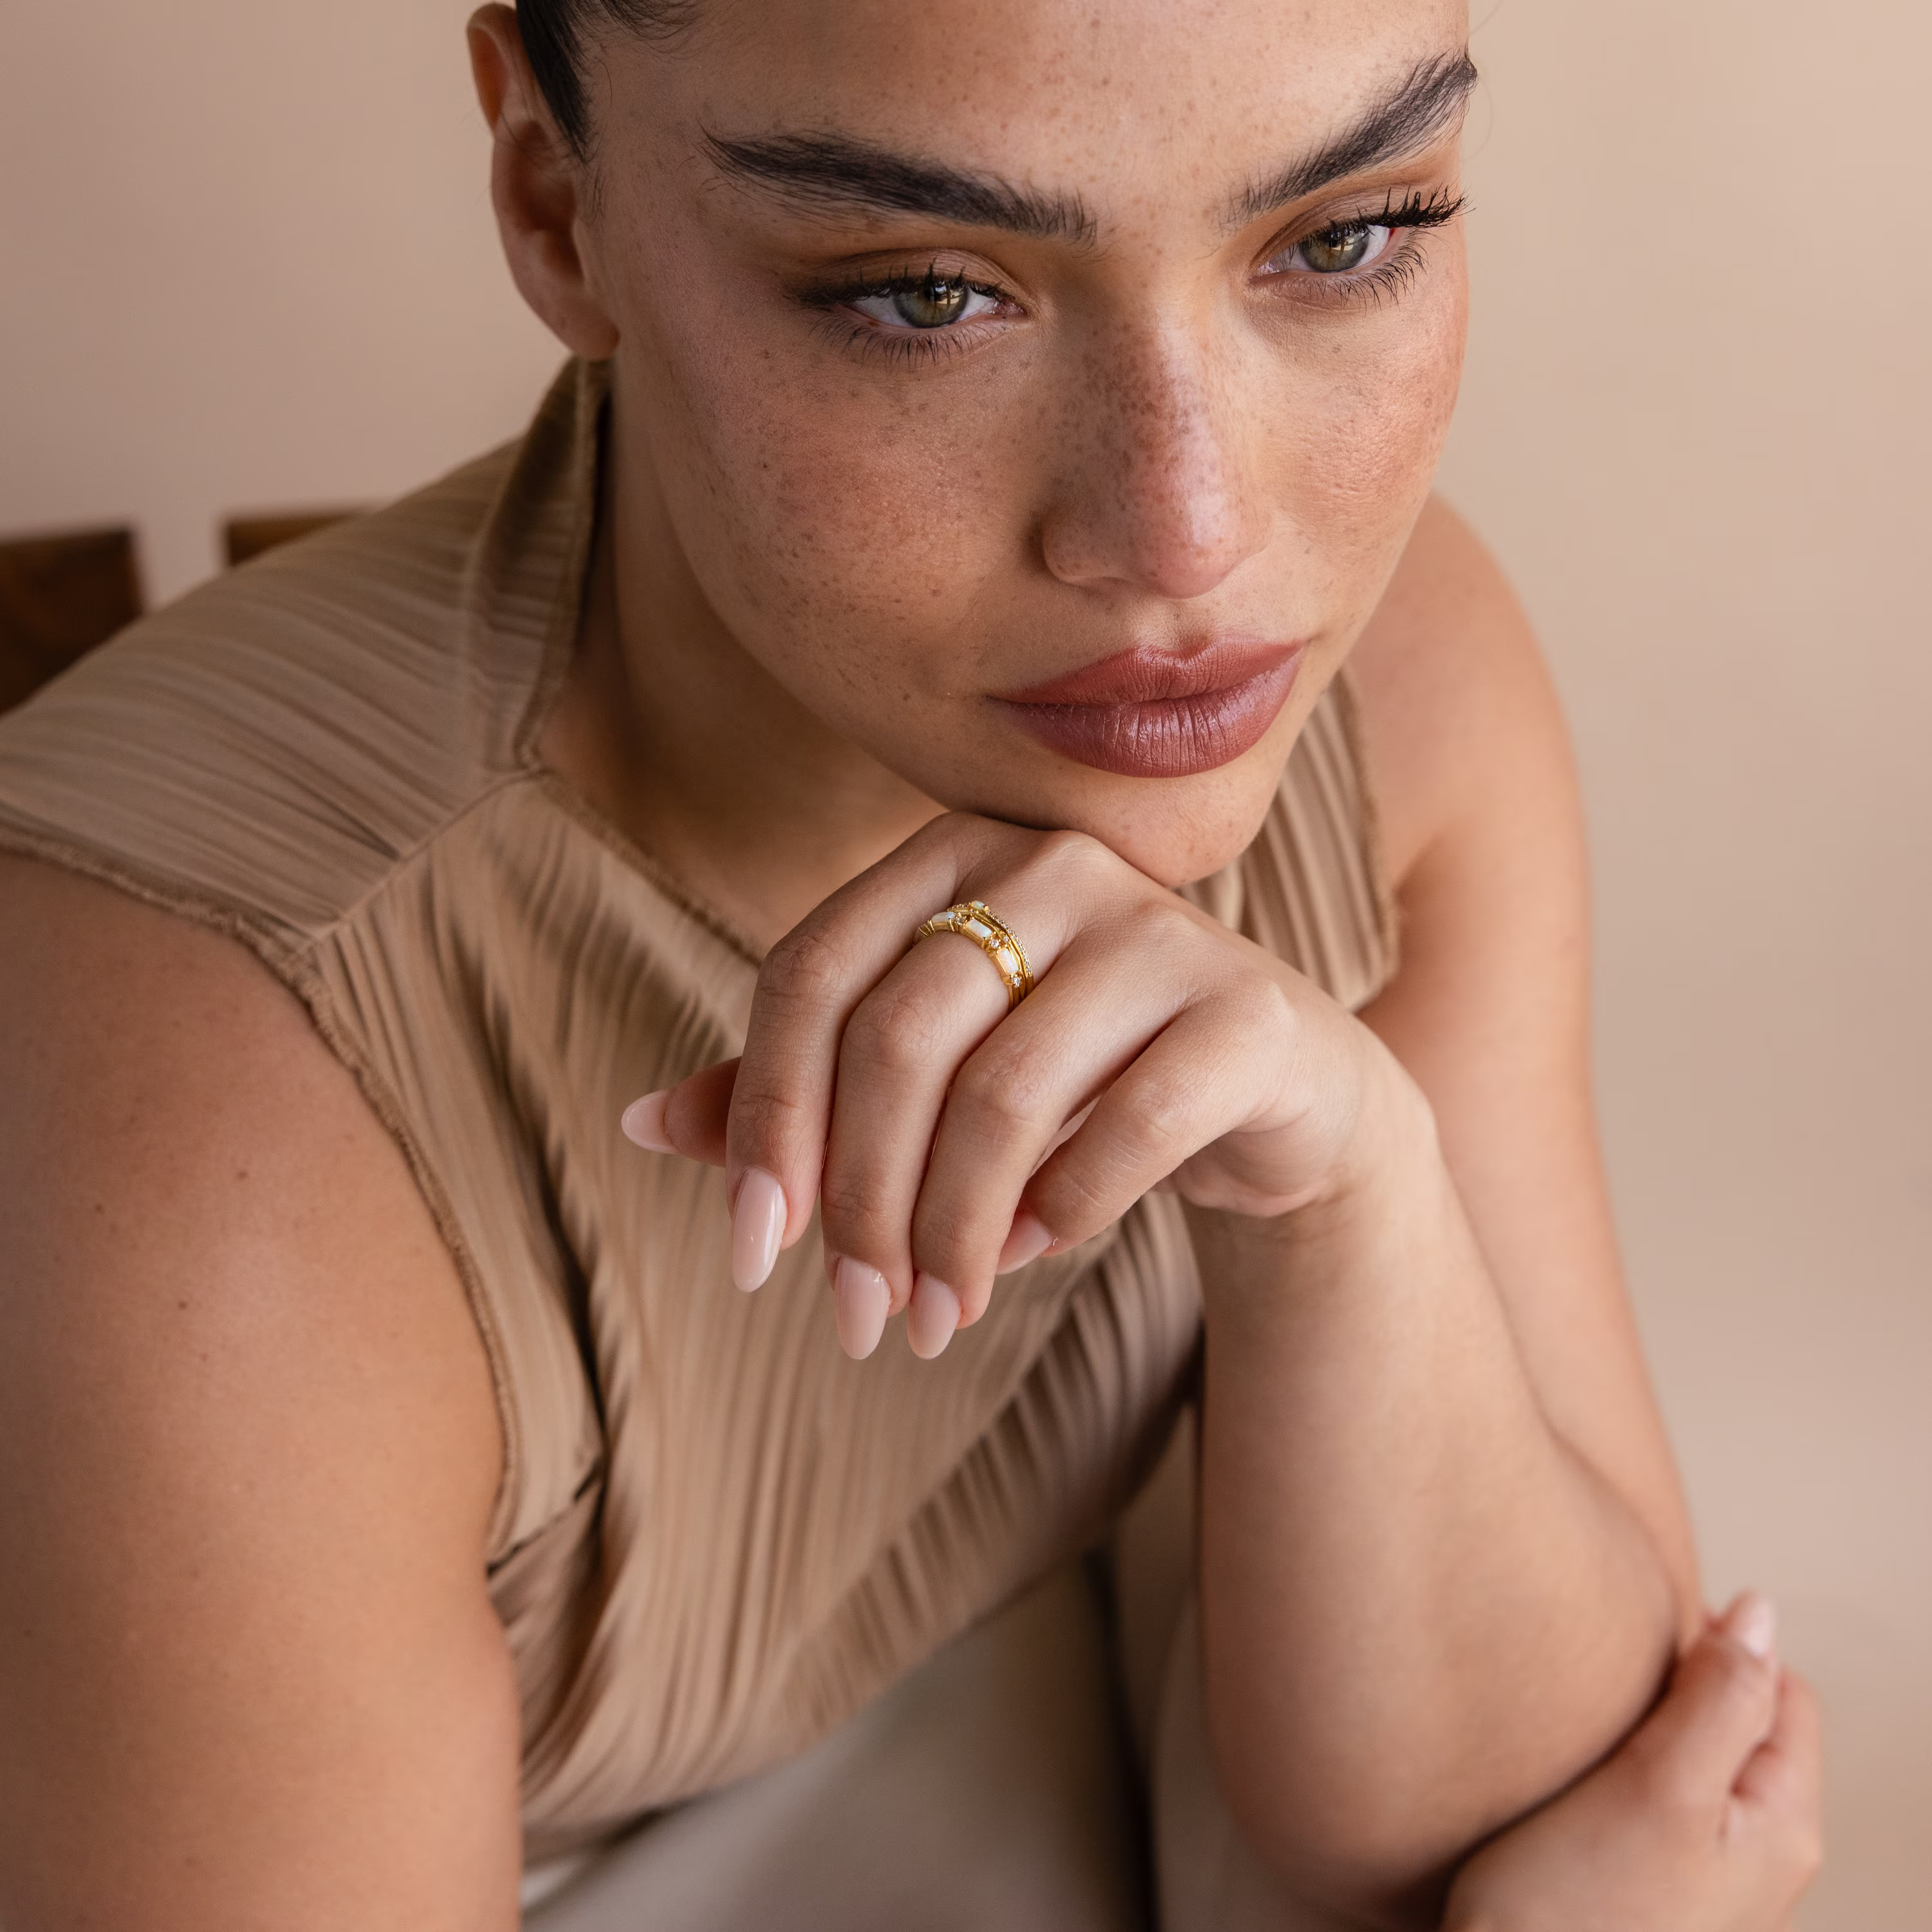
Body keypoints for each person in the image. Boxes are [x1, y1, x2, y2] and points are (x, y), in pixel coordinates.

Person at [0, 1, 1820, 1926]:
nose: (1190, 538)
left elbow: (1551, 1798)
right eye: (931, 294)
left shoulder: (1383, 686)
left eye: (1342, 239)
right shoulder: (198, 1106)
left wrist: (1348, 1204)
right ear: (556, 204)